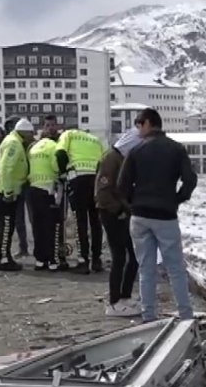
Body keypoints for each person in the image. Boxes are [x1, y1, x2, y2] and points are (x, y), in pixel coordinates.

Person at [117, 108, 197, 321]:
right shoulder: (176, 149)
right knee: (176, 269)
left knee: (146, 269)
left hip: (140, 217)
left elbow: (121, 185)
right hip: (165, 216)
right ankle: (186, 316)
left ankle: (149, 316)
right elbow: (190, 180)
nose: (137, 128)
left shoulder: (136, 151)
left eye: (138, 123)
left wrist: (133, 204)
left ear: (148, 123)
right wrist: (176, 199)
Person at [94, 128, 143, 317]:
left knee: (132, 255)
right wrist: (119, 210)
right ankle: (114, 302)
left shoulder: (121, 159)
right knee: (119, 257)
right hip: (111, 213)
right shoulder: (111, 159)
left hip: (122, 212)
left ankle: (125, 295)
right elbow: (103, 191)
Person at [56, 126, 105, 274]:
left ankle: (83, 260)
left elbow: (60, 153)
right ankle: (97, 260)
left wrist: (63, 172)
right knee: (96, 221)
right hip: (95, 180)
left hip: (77, 179)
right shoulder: (95, 139)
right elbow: (104, 159)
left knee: (80, 221)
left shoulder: (68, 134)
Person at [0, 119, 34, 271]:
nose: (32, 136)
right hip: (5, 191)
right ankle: (4, 260)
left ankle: (5, 257)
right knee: (7, 227)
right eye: (31, 133)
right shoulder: (14, 144)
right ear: (25, 132)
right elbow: (6, 168)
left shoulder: (12, 140)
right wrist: (8, 191)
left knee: (7, 227)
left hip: (6, 190)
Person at [26, 125, 68, 271]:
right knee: (52, 226)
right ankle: (53, 260)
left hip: (33, 190)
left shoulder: (34, 148)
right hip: (48, 191)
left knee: (37, 226)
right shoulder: (54, 146)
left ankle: (39, 260)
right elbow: (56, 166)